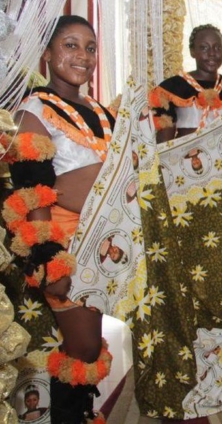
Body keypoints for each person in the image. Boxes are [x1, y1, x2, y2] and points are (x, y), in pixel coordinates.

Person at [1, 15, 113, 423]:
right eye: (70, 45)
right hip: (65, 246)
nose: (82, 55)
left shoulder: (101, 111)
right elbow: (32, 191)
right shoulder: (34, 109)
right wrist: (50, 261)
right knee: (84, 347)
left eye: (90, 47)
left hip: (103, 242)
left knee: (89, 345)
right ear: (47, 54)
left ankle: (79, 414)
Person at [150, 24, 222, 142]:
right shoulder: (173, 88)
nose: (212, 53)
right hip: (187, 153)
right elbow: (165, 143)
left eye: (217, 47)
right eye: (204, 48)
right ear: (192, 51)